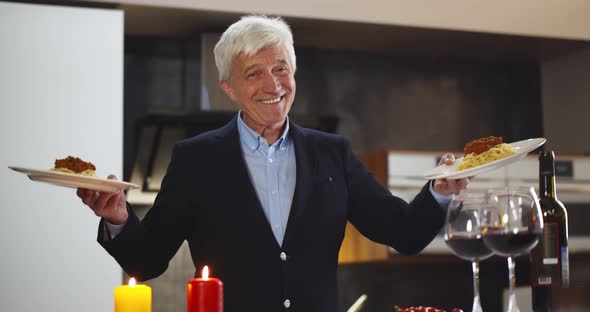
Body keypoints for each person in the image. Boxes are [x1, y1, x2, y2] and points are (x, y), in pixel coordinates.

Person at [78, 15, 469, 312]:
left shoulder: (332, 153)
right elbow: (147, 261)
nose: (273, 84)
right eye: (254, 73)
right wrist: (119, 220)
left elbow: (404, 231)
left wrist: (439, 193)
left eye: (281, 68)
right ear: (228, 87)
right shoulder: (195, 159)